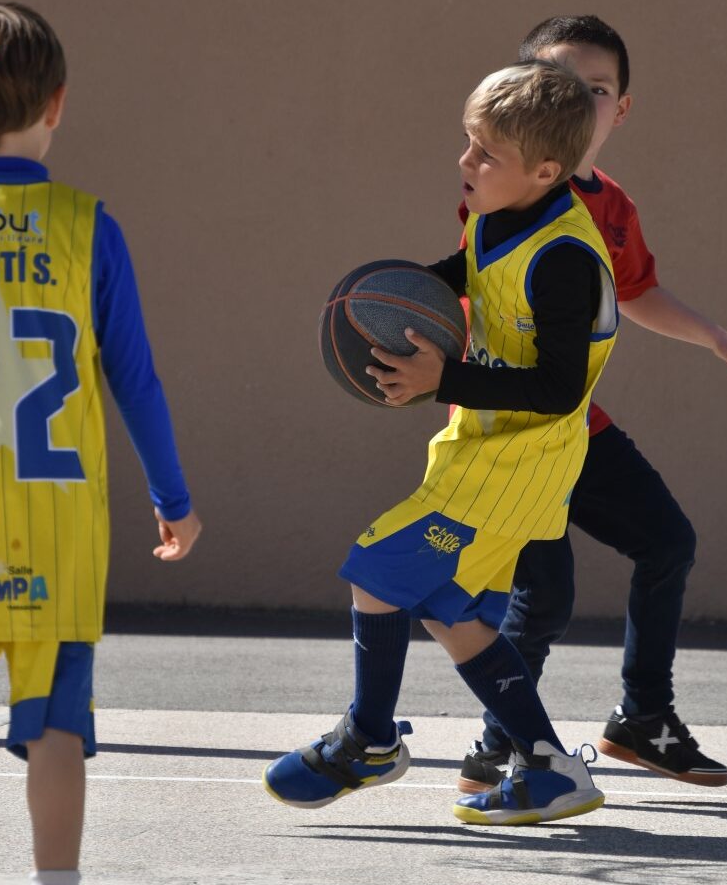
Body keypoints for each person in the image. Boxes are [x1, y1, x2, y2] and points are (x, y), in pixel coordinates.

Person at [264, 60, 618, 826]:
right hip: (483, 454)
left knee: (376, 569)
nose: (467, 160)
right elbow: (468, 272)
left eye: (486, 153)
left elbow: (561, 389)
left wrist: (443, 377)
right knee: (450, 615)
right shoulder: (496, 214)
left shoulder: (564, 259)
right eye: (468, 142)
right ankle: (551, 769)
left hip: (516, 466)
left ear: (545, 171)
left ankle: (368, 738)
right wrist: (389, 306)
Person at [0, 1, 201, 885]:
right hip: (54, 527)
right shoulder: (87, 226)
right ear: (58, 103)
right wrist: (174, 495)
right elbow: (134, 379)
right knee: (55, 726)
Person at [456, 15, 727, 799]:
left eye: (595, 90)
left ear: (620, 108)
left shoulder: (612, 206)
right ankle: (500, 745)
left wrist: (713, 336)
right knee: (543, 599)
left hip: (574, 425)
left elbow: (635, 291)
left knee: (668, 543)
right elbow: (468, 286)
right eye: (557, 84)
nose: (578, 100)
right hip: (514, 434)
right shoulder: (512, 195)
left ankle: (642, 719)